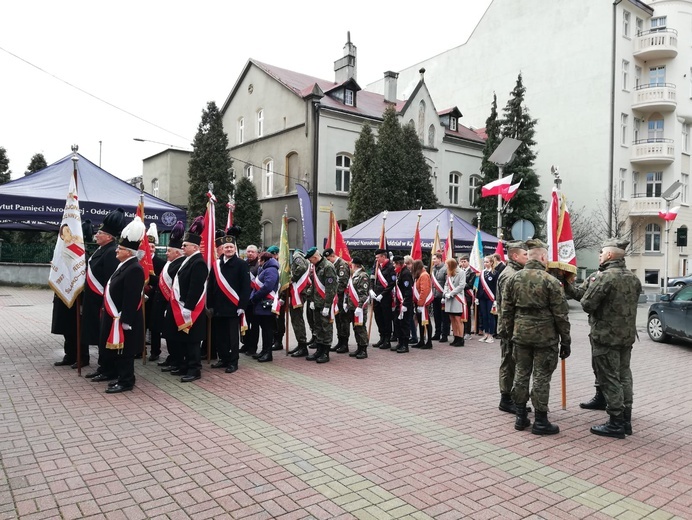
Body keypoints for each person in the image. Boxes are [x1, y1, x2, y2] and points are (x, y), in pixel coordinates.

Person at [501, 239, 571, 435]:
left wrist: (507, 334)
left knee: (521, 374)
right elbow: (561, 315)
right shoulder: (550, 281)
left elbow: (506, 311)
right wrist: (566, 340)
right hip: (545, 337)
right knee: (541, 376)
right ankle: (540, 421)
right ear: (542, 257)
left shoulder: (514, 279)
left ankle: (521, 417)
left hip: (520, 335)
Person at [581, 238, 641, 439]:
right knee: (624, 375)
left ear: (608, 255)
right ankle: (626, 420)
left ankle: (615, 423)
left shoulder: (605, 277)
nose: (599, 256)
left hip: (606, 337)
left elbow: (587, 304)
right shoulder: (633, 278)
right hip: (626, 336)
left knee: (609, 378)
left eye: (601, 253)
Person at [100, 216, 146, 393]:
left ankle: (126, 381)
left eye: (120, 248)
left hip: (126, 320)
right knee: (119, 351)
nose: (116, 251)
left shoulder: (134, 268)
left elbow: (131, 297)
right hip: (116, 317)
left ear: (128, 252)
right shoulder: (123, 265)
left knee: (125, 352)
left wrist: (126, 320)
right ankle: (121, 377)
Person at [164, 217, 209, 382]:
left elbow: (195, 288)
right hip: (183, 306)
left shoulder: (198, 263)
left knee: (192, 341)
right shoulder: (188, 260)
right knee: (184, 339)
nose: (182, 247)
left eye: (185, 245)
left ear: (195, 247)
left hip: (191, 309)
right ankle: (184, 366)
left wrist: (188, 307)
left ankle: (194, 369)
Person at [85, 208, 125, 381]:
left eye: (100, 232)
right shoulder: (101, 249)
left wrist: (105, 302)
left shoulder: (111, 252)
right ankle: (103, 367)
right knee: (100, 336)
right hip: (94, 301)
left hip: (103, 302)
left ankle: (109, 369)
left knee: (105, 336)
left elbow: (111, 280)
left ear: (109, 236)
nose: (96, 234)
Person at [52, 219, 94, 368]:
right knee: (67, 328)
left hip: (78, 298)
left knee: (78, 329)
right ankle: (69, 355)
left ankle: (82, 357)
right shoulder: (63, 252)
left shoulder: (82, 256)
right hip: (64, 296)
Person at [208, 227, 251, 373]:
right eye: (226, 247)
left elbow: (246, 287)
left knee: (232, 337)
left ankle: (233, 361)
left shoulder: (241, 264)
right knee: (220, 336)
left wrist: (242, 306)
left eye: (231, 247)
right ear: (222, 249)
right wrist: (210, 305)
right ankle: (223, 358)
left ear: (235, 248)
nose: (228, 249)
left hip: (233, 307)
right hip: (218, 308)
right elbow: (211, 286)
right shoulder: (216, 265)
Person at [495, 240, 528, 414]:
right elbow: (509, 306)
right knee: (508, 362)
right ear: (515, 256)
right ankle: (506, 399)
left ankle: (513, 397)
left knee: (513, 362)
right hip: (509, 326)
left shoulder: (517, 272)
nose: (528, 257)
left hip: (513, 325)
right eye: (525, 255)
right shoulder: (510, 274)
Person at [156, 221, 186, 371]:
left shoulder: (180, 264)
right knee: (168, 334)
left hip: (173, 304)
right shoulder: (170, 262)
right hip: (164, 304)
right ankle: (172, 357)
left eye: (169, 251)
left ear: (177, 252)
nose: (166, 253)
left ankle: (177, 359)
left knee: (174, 336)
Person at [304, 247, 337, 363]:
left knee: (326, 328)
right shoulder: (316, 266)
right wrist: (312, 300)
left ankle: (325, 353)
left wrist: (327, 305)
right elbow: (314, 285)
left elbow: (331, 288)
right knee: (317, 327)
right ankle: (319, 350)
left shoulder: (328, 267)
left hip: (324, 304)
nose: (309, 262)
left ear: (315, 257)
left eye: (310, 259)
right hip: (317, 303)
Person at [248, 252, 279, 362]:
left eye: (260, 259)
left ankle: (268, 353)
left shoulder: (271, 270)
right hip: (261, 304)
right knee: (264, 329)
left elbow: (267, 286)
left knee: (267, 330)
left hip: (266, 304)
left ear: (264, 260)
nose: (259, 261)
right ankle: (264, 351)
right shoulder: (265, 269)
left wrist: (255, 297)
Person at [143, 223, 166, 361]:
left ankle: (155, 351)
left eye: (152, 247)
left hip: (154, 297)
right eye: (148, 246)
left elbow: (162, 281)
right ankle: (140, 349)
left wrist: (151, 283)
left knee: (155, 327)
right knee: (141, 325)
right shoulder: (140, 261)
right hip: (141, 298)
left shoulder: (160, 262)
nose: (150, 249)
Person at [325, 248, 351, 353]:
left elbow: (342, 282)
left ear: (332, 256)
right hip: (336, 298)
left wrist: (334, 294)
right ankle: (340, 342)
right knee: (338, 320)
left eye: (328, 259)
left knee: (344, 320)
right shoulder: (333, 265)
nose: (328, 261)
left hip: (342, 297)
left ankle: (345, 343)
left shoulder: (342, 265)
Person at [287, 249, 312, 357]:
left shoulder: (297, 256)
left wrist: (292, 278)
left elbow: (301, 268)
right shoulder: (302, 257)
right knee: (297, 320)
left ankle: (302, 346)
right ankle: (300, 344)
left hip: (298, 293)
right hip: (300, 293)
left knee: (297, 320)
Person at [370, 248, 396, 350]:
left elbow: (392, 283)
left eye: (378, 257)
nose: (376, 259)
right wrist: (371, 290)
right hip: (376, 295)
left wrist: (383, 294)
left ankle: (387, 340)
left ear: (383, 257)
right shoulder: (376, 266)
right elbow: (372, 278)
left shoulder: (390, 267)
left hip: (385, 297)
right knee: (378, 317)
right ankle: (381, 337)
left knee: (386, 318)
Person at [345, 257, 370, 359]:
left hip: (359, 307)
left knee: (361, 328)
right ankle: (359, 348)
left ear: (355, 265)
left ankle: (363, 349)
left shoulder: (363, 276)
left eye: (352, 264)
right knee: (356, 328)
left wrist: (359, 307)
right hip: (352, 307)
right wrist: (346, 303)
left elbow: (363, 294)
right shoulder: (354, 275)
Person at [391, 255, 414, 353]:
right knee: (398, 323)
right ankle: (400, 343)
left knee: (405, 324)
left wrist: (405, 304)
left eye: (394, 264)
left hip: (405, 304)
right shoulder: (400, 272)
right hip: (399, 303)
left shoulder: (405, 273)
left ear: (399, 263)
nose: (393, 266)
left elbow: (408, 291)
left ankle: (405, 345)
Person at [241, 244, 261, 355]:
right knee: (245, 323)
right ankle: (246, 344)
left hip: (254, 300)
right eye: (248, 251)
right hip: (244, 299)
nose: (250, 254)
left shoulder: (259, 266)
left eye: (252, 252)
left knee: (254, 325)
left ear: (257, 253)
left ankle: (253, 348)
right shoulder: (243, 264)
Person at [265, 245, 286, 352]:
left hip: (280, 297)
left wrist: (282, 297)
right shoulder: (270, 266)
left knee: (279, 320)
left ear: (277, 254)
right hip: (271, 297)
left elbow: (285, 283)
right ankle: (274, 338)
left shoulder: (282, 266)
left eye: (273, 254)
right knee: (272, 320)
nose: (272, 257)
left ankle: (279, 341)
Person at [443, 258, 466, 346]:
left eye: (447, 264)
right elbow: (446, 284)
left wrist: (451, 293)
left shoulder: (461, 272)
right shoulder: (449, 272)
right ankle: (455, 337)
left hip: (457, 298)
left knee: (458, 319)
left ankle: (460, 338)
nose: (446, 266)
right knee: (452, 318)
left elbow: (461, 285)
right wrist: (445, 292)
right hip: (449, 298)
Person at [411, 259, 433, 349]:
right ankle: (421, 341)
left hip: (423, 303)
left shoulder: (424, 275)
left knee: (426, 322)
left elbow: (424, 290)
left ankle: (429, 342)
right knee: (420, 321)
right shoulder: (419, 275)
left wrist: (420, 303)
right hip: (419, 302)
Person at [477, 255, 498, 343]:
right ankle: (486, 334)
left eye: (487, 262)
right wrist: (477, 297)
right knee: (484, 316)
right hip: (482, 297)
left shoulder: (495, 273)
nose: (485, 263)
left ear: (492, 263)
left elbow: (497, 287)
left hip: (491, 298)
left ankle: (491, 335)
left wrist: (496, 299)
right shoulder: (482, 272)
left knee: (490, 316)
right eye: (484, 262)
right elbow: (480, 285)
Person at [431, 253, 450, 343]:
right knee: (436, 316)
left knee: (444, 317)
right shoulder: (433, 269)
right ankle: (437, 333)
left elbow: (447, 283)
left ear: (439, 259)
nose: (433, 260)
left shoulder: (445, 269)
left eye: (435, 259)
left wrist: (444, 295)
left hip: (442, 296)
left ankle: (444, 334)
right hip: (435, 296)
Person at [458, 255, 476, 340]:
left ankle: (467, 332)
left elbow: (470, 285)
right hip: (459, 295)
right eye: (461, 261)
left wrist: (461, 285)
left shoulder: (472, 272)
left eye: (464, 261)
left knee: (467, 314)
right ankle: (461, 330)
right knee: (460, 314)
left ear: (468, 262)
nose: (463, 263)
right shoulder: (458, 271)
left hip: (467, 295)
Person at [403, 255, 418, 344]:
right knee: (410, 318)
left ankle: (415, 336)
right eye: (405, 263)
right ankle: (412, 335)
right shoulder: (406, 272)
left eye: (408, 263)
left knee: (413, 318)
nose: (407, 265)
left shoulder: (414, 273)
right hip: (409, 298)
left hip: (414, 298)